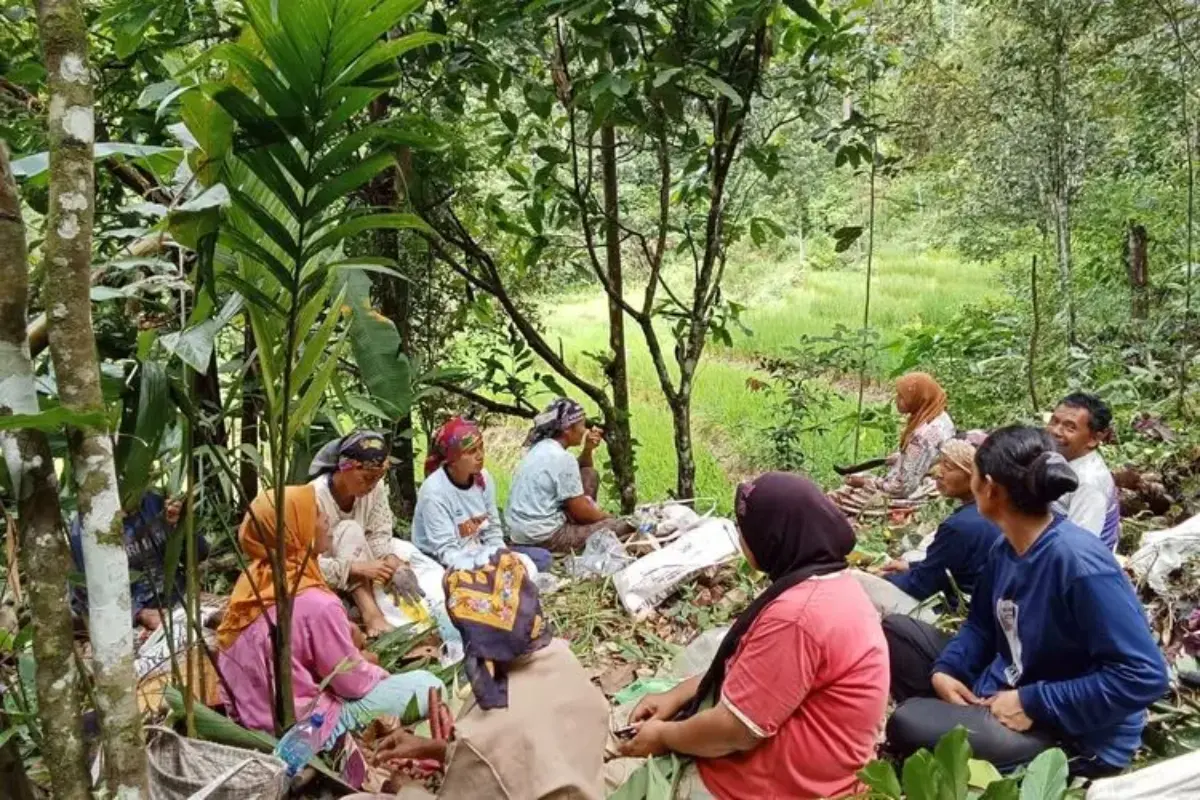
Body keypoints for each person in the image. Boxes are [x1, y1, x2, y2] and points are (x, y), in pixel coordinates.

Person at [883, 426, 1169, 776]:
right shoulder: (1005, 547)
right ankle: (959, 716)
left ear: (989, 487)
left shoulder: (1078, 564)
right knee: (897, 633)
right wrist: (949, 670)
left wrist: (1032, 702)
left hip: (1072, 732)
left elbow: (1144, 676)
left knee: (907, 721)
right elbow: (981, 625)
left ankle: (967, 733)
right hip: (1013, 679)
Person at [616, 473, 889, 800]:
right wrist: (677, 695)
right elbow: (755, 672)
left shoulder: (797, 617)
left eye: (744, 531)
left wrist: (665, 736)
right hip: (816, 769)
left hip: (771, 786)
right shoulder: (828, 582)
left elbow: (736, 731)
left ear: (769, 540)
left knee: (607, 777)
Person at [217, 485, 442, 772]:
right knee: (427, 684)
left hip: (253, 724)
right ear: (297, 530)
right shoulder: (315, 602)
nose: (326, 522)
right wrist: (370, 663)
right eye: (318, 515)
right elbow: (352, 683)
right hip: (308, 732)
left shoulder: (250, 584)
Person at [308, 431, 445, 637]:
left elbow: (379, 534)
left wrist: (391, 562)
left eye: (378, 478)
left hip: (363, 553)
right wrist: (358, 567)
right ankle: (371, 614)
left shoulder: (375, 489)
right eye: (366, 478)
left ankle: (441, 604)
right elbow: (306, 564)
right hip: (328, 566)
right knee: (350, 529)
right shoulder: (314, 496)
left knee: (407, 552)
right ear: (345, 468)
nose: (372, 485)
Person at [862, 438, 1003, 614]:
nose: (937, 473)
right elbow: (951, 565)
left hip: (952, 612)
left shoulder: (958, 527)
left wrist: (888, 578)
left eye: (948, 467)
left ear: (973, 476)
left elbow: (921, 586)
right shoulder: (996, 512)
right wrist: (911, 567)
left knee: (859, 583)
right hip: (984, 607)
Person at [505, 398, 630, 552]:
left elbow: (582, 471)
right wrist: (607, 517)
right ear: (567, 429)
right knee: (621, 527)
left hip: (522, 532)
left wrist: (588, 449)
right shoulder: (562, 458)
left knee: (589, 473)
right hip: (543, 536)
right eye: (582, 425)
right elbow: (581, 512)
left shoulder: (539, 448)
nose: (585, 430)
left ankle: (578, 526)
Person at [69, 491, 208, 631]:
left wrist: (182, 523)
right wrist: (139, 614)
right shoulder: (87, 526)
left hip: (177, 598)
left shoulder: (158, 502)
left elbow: (199, 555)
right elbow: (87, 594)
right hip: (129, 618)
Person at [830, 372, 955, 516]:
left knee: (834, 500)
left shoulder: (921, 437)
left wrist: (865, 482)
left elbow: (901, 488)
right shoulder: (940, 418)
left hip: (912, 496)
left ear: (918, 399)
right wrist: (902, 457)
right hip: (931, 483)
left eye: (902, 397)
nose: (897, 400)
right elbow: (930, 455)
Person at [412, 417, 506, 570]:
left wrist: (502, 556)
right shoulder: (434, 492)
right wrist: (484, 566)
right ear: (452, 459)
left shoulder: (484, 478)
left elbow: (492, 529)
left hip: (476, 549)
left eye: (481, 447)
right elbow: (446, 551)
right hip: (439, 561)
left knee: (533, 561)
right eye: (471, 451)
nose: (480, 456)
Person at [1047, 393, 1121, 551]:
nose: (1056, 431)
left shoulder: (1089, 482)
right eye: (1054, 421)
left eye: (1070, 427)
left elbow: (1078, 548)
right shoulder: (1059, 458)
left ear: (1094, 439)